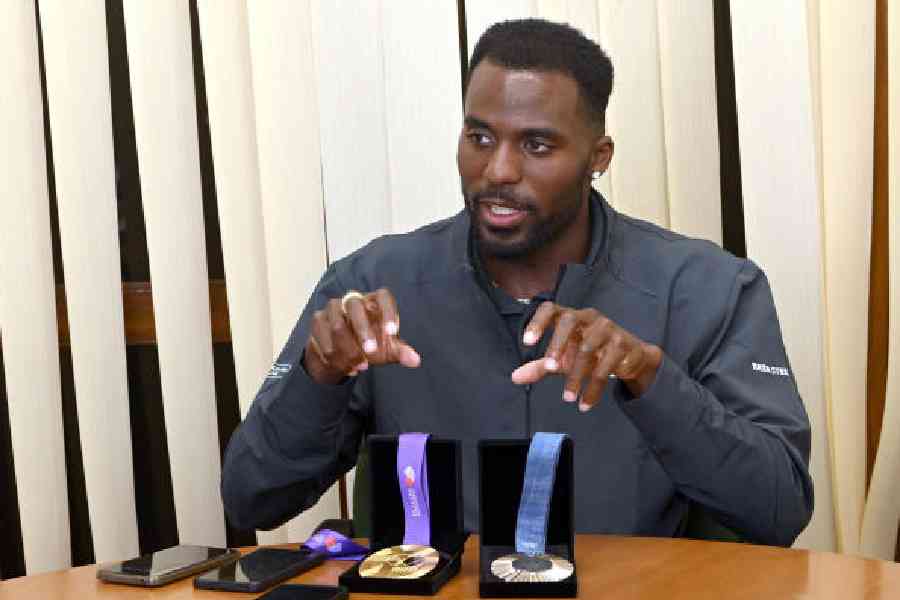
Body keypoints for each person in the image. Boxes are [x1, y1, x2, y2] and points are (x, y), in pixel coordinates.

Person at [221, 18, 813, 547]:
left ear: (598, 156)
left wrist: (650, 380)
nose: (498, 170)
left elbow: (778, 510)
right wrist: (316, 378)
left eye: (536, 145)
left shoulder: (709, 288)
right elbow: (254, 499)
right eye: (480, 137)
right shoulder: (371, 284)